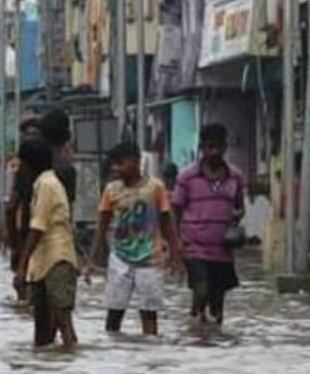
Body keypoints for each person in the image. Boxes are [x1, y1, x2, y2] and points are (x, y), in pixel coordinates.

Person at [85, 142, 181, 336]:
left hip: (151, 259)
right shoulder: (111, 190)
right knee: (114, 311)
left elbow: (167, 223)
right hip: (120, 258)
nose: (115, 168)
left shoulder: (156, 188)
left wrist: (176, 256)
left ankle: (148, 353)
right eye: (113, 164)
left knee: (149, 314)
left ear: (136, 161)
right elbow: (101, 226)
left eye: (120, 163)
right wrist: (91, 261)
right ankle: (115, 353)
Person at [173, 124, 246, 325]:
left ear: (225, 147)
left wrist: (236, 218)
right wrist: (176, 243)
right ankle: (195, 322)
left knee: (217, 301)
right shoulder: (187, 177)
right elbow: (176, 210)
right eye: (209, 147)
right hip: (194, 247)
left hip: (222, 249)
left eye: (218, 147)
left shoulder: (235, 177)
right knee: (202, 288)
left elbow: (240, 207)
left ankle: (212, 339)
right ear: (202, 148)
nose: (214, 152)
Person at [15, 137, 79, 349]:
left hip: (56, 258)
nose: (19, 169)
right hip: (42, 262)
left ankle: (70, 360)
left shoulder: (47, 184)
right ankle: (45, 373)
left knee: (62, 319)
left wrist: (21, 267)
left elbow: (37, 227)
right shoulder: (42, 183)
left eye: (21, 164)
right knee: (43, 324)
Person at [6, 117, 43, 299]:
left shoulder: (52, 163)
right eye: (28, 135)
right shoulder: (19, 165)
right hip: (27, 222)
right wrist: (10, 233)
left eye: (35, 134)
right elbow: (12, 202)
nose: (31, 138)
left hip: (47, 225)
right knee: (23, 270)